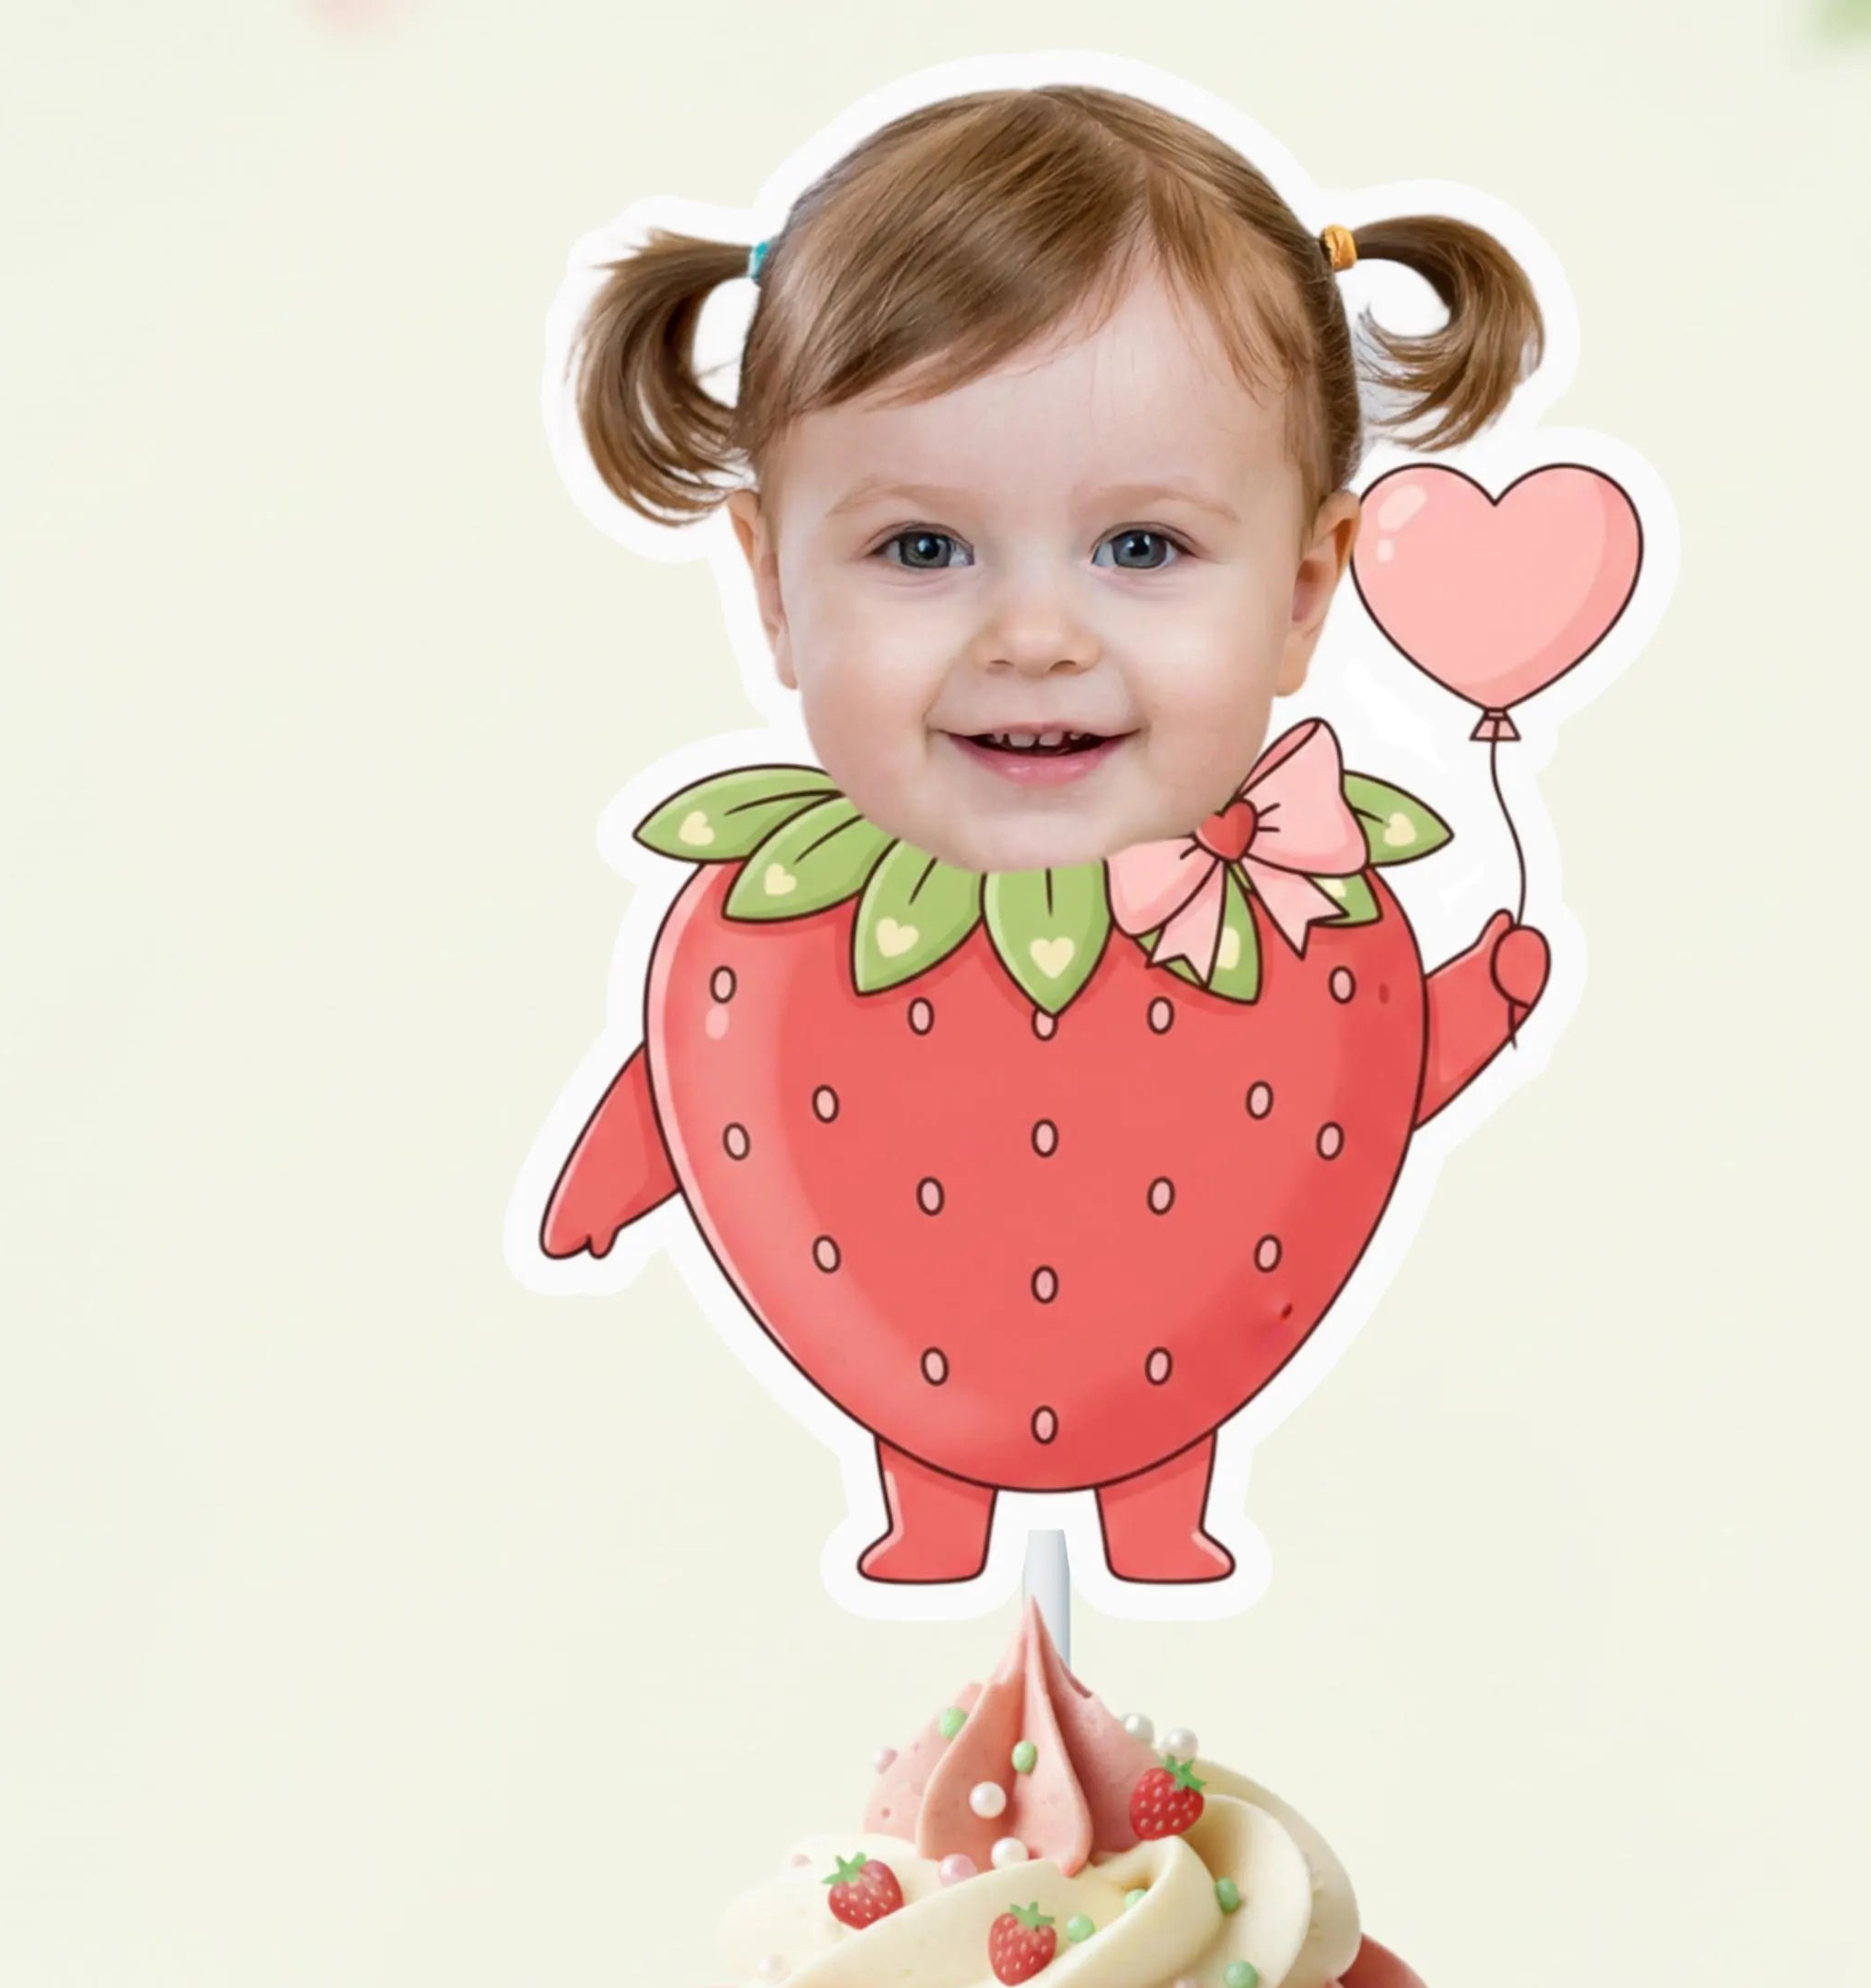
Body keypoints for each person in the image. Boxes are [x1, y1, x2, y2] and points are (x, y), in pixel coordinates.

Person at [537, 83, 1558, 1587]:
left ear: (1300, 587)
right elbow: (710, 1094)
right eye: (921, 548)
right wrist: (617, 1173)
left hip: (1186, 1377)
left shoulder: (1301, 926)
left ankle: (1158, 1512)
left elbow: (1360, 1085)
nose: (1032, 636)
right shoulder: (764, 942)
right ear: (768, 586)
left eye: (1141, 546)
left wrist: (1479, 1001)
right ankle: (933, 1509)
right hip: (907, 1380)